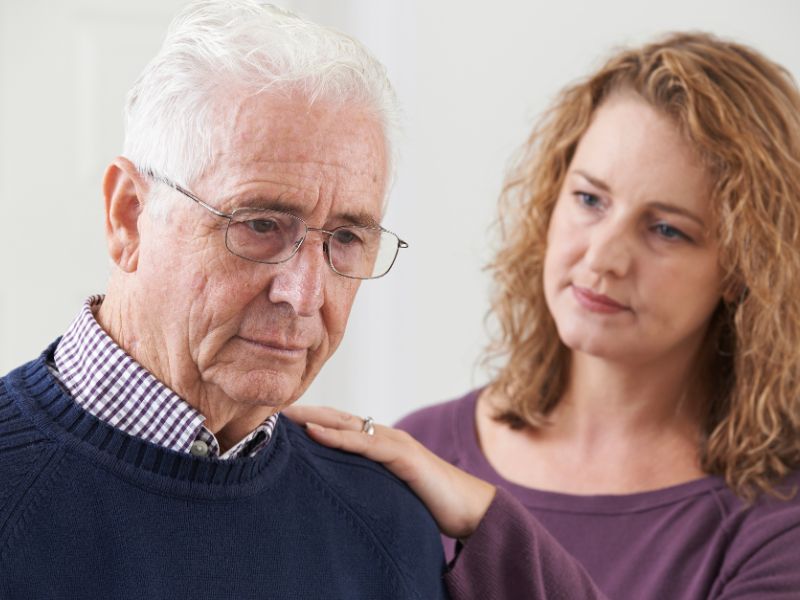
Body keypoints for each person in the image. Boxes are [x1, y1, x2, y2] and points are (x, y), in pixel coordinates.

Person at [285, 32, 800, 599]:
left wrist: (490, 525)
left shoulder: (779, 523)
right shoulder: (422, 449)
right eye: (589, 199)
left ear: (745, 265)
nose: (602, 257)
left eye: (667, 229)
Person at [0, 2, 449, 598]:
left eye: (346, 238)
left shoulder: (389, 523)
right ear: (130, 216)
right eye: (261, 225)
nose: (304, 295)